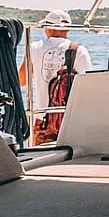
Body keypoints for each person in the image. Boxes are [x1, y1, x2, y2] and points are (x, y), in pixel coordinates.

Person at [19, 9, 92, 143]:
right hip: (71, 120)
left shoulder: (34, 47)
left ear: (48, 28)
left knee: (42, 161)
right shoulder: (79, 51)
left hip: (43, 119)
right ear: (67, 29)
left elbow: (22, 81)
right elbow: (89, 89)